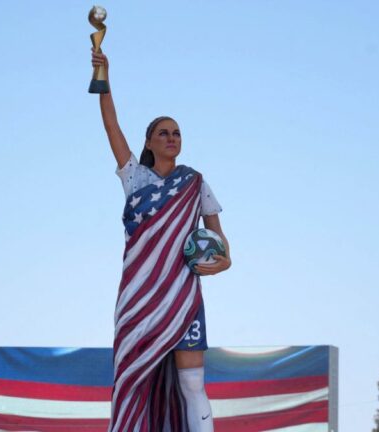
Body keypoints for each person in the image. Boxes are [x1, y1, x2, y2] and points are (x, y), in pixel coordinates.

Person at [93, 48, 232, 432]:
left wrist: (221, 262)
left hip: (183, 297)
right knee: (135, 379)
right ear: (149, 142)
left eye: (177, 133)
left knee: (192, 382)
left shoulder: (196, 182)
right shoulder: (135, 179)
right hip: (140, 299)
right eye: (163, 133)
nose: (172, 138)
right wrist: (103, 78)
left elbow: (222, 246)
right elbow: (111, 127)